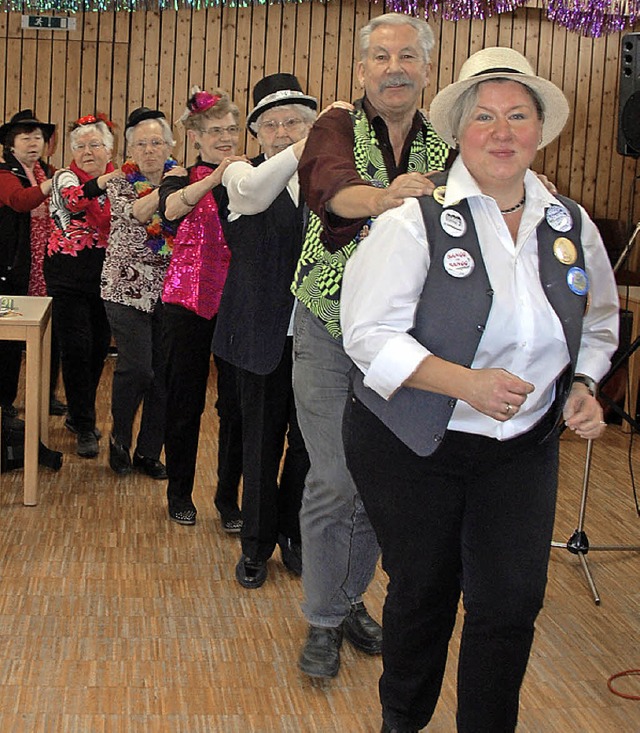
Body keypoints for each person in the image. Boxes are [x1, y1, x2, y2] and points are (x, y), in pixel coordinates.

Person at [340, 47, 619, 733]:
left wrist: (583, 382)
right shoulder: (417, 216)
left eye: (518, 116)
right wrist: (464, 381)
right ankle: (401, 721)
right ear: (461, 129)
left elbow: (600, 320)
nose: (502, 132)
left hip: (520, 448)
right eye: (486, 116)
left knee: (509, 602)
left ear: (538, 130)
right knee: (424, 595)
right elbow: (367, 332)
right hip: (412, 441)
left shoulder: (570, 224)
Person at [292, 13, 452, 679]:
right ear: (361, 71)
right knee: (334, 476)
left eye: (407, 56)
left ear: (424, 69)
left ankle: (348, 597)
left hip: (397, 340)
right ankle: (323, 621)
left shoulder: (443, 144)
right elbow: (329, 188)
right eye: (381, 56)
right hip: (328, 326)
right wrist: (385, 198)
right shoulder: (334, 126)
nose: (395, 67)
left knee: (376, 481)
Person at [213, 73, 315, 589]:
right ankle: (255, 545)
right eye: (270, 125)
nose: (282, 132)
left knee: (309, 447)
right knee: (259, 443)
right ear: (256, 134)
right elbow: (253, 202)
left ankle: (293, 533)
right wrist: (301, 149)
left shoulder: (332, 178)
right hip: (258, 334)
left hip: (319, 340)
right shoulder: (238, 175)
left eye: (294, 122)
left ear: (313, 125)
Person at [158, 88, 243, 527]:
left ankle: (229, 501)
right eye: (215, 131)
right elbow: (171, 209)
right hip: (185, 304)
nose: (225, 138)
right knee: (183, 402)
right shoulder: (180, 177)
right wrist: (213, 178)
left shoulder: (252, 177)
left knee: (234, 407)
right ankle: (179, 493)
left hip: (236, 306)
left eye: (231, 129)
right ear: (196, 137)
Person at [101, 106, 179, 478]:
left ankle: (149, 452)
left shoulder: (185, 180)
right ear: (130, 151)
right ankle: (119, 439)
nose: (150, 150)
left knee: (163, 374)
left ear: (170, 145)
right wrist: (171, 187)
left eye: (157, 142)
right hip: (124, 287)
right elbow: (138, 213)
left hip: (169, 291)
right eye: (141, 144)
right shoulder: (116, 182)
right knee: (137, 368)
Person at [46, 114, 122, 458]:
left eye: (95, 144)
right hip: (67, 278)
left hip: (105, 278)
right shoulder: (64, 177)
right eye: (80, 146)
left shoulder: (123, 180)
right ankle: (85, 422)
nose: (87, 151)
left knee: (96, 351)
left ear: (109, 148)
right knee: (75, 348)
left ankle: (80, 414)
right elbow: (75, 200)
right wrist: (103, 181)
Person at [0, 109, 60, 429]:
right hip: (14, 266)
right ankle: (4, 401)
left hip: (45, 263)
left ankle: (45, 394)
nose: (34, 142)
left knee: (51, 332)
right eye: (26, 137)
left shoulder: (44, 171)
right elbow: (19, 201)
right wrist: (53, 184)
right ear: (11, 144)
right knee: (8, 342)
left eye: (38, 136)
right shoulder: (3, 173)